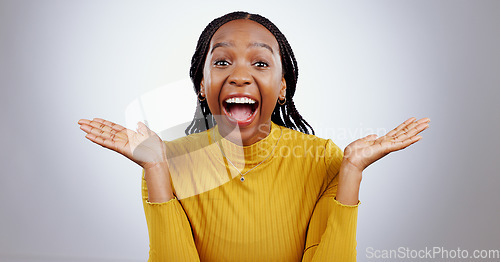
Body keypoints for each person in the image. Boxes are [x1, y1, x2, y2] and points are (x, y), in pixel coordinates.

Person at [77, 11, 430, 261]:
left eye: (260, 64)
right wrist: (155, 168)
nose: (240, 76)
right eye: (222, 62)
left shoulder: (323, 158)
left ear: (281, 88)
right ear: (203, 86)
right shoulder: (166, 161)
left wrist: (352, 171)